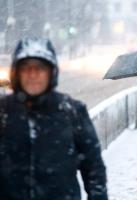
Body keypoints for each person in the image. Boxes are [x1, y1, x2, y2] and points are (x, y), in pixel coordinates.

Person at [0, 38, 108, 200]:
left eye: (40, 68)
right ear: (16, 73)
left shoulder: (71, 111)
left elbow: (94, 168)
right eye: (26, 68)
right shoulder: (3, 111)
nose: (33, 74)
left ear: (51, 72)